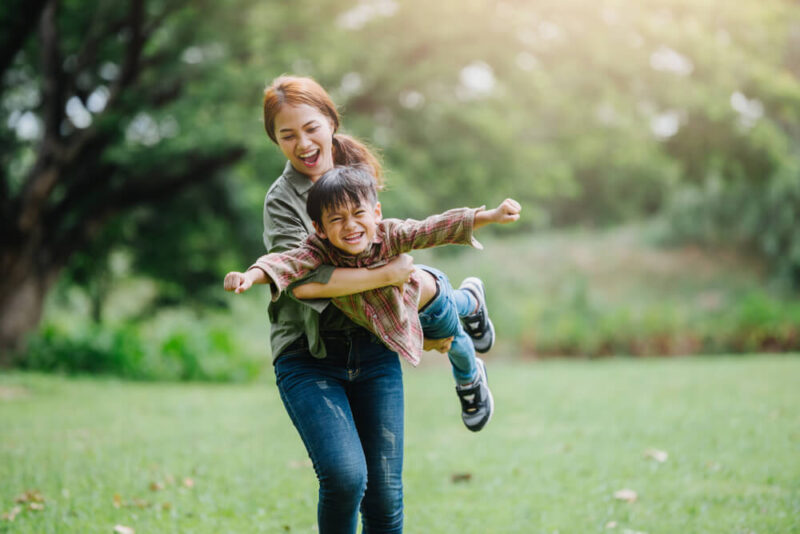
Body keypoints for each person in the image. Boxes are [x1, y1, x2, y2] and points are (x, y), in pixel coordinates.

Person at [235, 75, 498, 533]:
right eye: (287, 135)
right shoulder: (282, 201)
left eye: (311, 128)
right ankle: (464, 313)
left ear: (331, 121)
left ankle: (463, 316)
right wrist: (389, 275)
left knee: (384, 498)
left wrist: (477, 219)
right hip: (310, 356)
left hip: (372, 348)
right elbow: (304, 279)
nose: (303, 144)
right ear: (274, 140)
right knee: (344, 477)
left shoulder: (355, 172)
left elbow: (405, 234)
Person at [225, 166, 521, 431]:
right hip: (403, 311)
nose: (350, 225)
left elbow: (432, 228)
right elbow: (285, 263)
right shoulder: (318, 252)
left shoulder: (390, 234)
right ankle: (472, 300)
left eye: (358, 214)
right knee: (457, 314)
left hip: (427, 302)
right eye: (337, 219)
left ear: (376, 213)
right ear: (319, 228)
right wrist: (249, 276)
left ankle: (470, 378)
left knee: (454, 341)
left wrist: (489, 216)